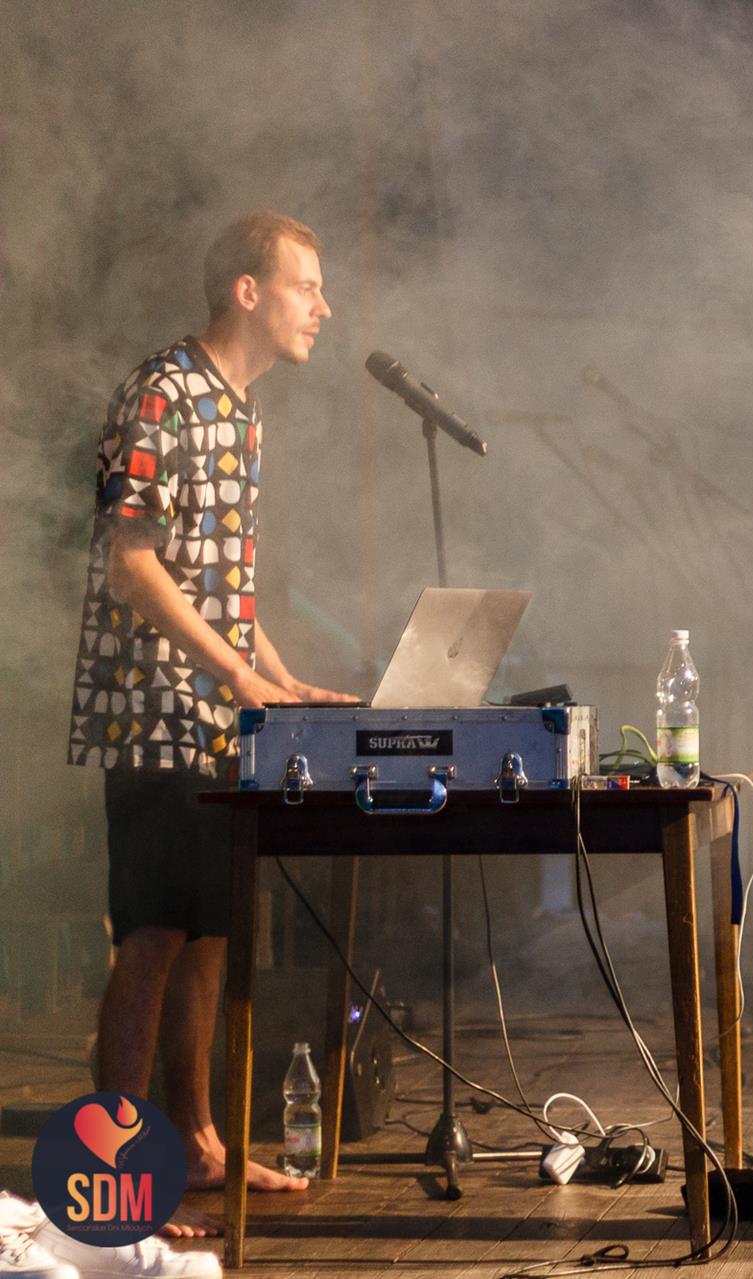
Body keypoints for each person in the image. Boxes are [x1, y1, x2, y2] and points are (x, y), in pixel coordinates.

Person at [67, 210, 356, 1240]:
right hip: (152, 711)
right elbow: (133, 562)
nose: (323, 307)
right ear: (247, 290)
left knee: (209, 934)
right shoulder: (163, 391)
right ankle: (111, 1183)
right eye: (306, 286)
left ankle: (192, 1141)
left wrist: (279, 677)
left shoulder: (241, 409)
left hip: (217, 715)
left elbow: (219, 582)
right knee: (152, 932)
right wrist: (236, 670)